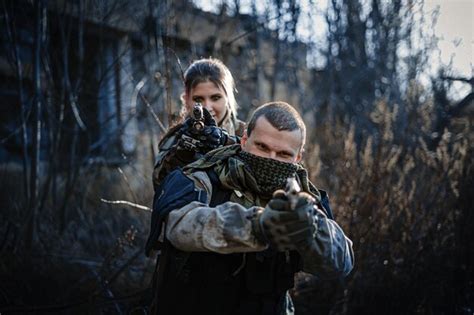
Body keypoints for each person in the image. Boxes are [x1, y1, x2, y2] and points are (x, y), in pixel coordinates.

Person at [146, 102, 354, 315]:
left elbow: (341, 262)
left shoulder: (304, 198)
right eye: (262, 147)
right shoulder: (205, 177)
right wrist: (256, 227)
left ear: (298, 158)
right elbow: (180, 226)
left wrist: (310, 227)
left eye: (283, 154)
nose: (269, 159)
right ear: (244, 140)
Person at [152, 57, 245, 189]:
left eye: (215, 97)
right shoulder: (175, 139)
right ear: (186, 100)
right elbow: (159, 185)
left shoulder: (246, 134)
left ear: (228, 98)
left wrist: (226, 141)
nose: (207, 107)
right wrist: (181, 154)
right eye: (198, 99)